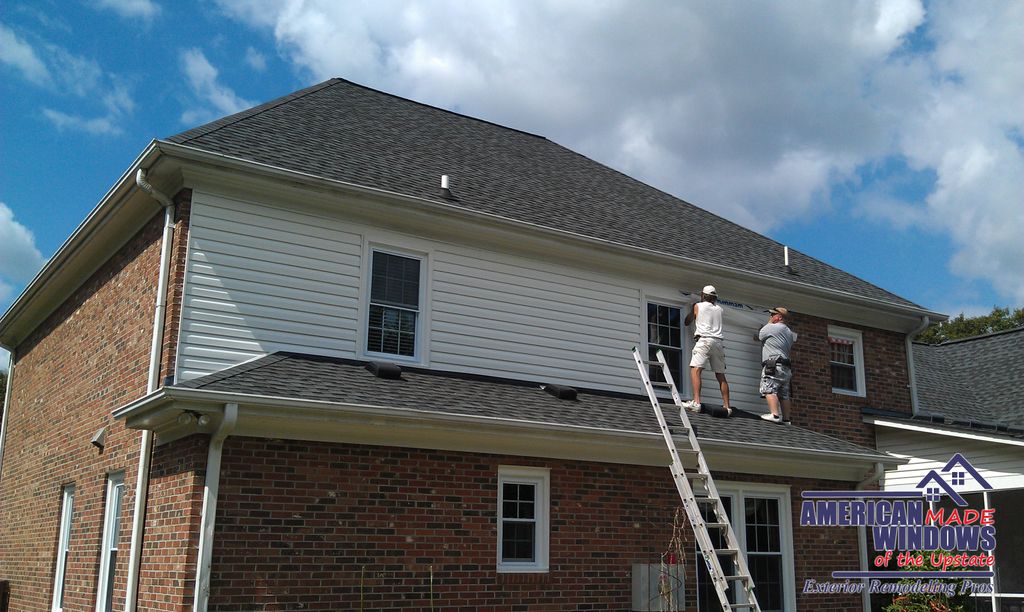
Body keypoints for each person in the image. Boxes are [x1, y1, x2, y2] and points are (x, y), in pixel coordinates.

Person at [680, 285, 731, 415]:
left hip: (704, 341)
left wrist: (692, 310)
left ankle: (696, 402)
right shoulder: (720, 309)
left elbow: (687, 321)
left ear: (703, 296)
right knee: (720, 374)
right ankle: (727, 406)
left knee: (696, 370)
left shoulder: (698, 306)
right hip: (718, 343)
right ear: (714, 297)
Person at [757, 307, 798, 424]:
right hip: (786, 368)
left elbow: (760, 335)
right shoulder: (789, 332)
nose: (770, 317)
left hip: (773, 364)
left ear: (779, 317)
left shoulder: (772, 328)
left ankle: (774, 415)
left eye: (772, 315)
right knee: (784, 394)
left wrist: (769, 323)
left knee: (769, 389)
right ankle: (786, 419)